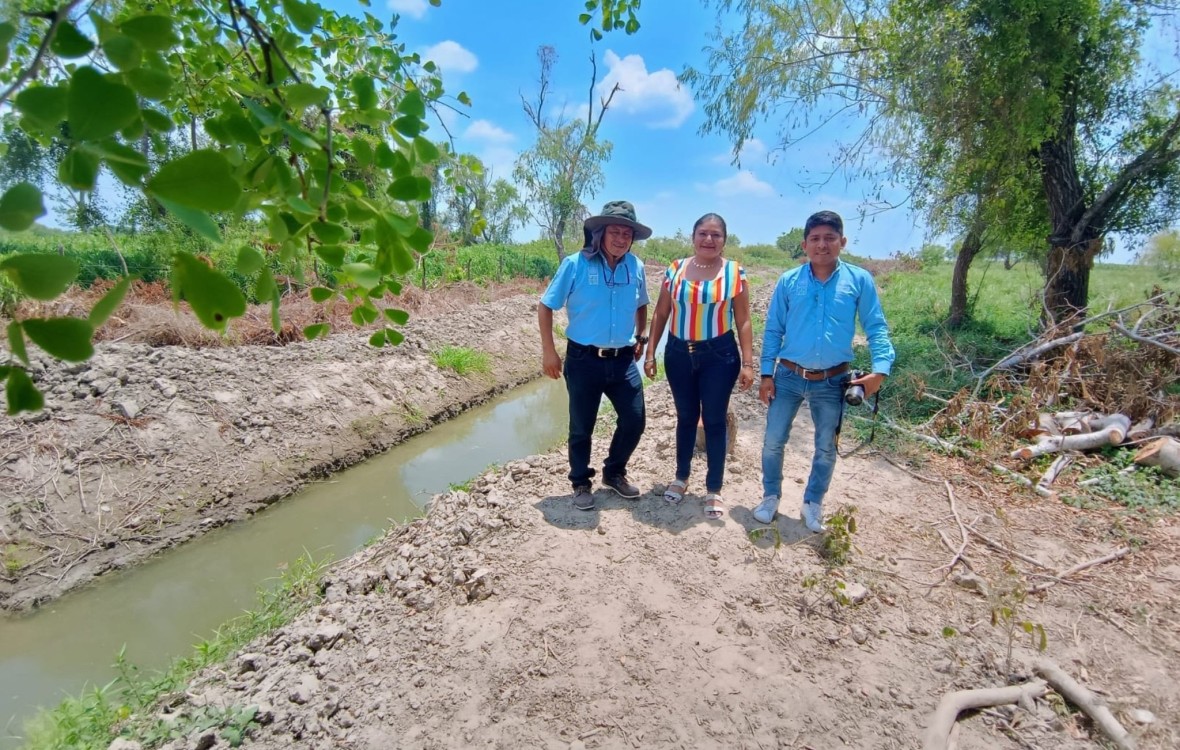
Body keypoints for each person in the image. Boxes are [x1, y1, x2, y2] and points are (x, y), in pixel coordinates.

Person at [753, 210, 895, 532]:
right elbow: (773, 330)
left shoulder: (859, 280)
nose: (822, 245)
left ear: (842, 242)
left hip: (833, 381)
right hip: (788, 377)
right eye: (815, 239)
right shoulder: (789, 281)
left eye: (830, 238)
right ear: (804, 245)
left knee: (825, 447)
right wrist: (765, 374)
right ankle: (770, 496)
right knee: (773, 440)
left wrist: (880, 371)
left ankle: (813, 503)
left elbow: (876, 327)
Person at [539, 200, 652, 511]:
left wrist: (641, 334)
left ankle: (614, 472)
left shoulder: (636, 267)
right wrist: (549, 351)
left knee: (635, 419)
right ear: (600, 233)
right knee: (581, 425)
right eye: (614, 231)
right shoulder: (575, 265)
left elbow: (642, 302)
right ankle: (580, 481)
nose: (621, 238)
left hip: (623, 360)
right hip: (583, 359)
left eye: (627, 234)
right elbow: (546, 305)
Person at [644, 213, 755, 519]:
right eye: (703, 233)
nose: (709, 240)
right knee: (686, 417)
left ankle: (714, 489)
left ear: (724, 240)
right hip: (679, 353)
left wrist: (748, 362)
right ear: (693, 237)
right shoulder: (675, 269)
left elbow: (743, 319)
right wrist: (651, 351)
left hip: (719, 355)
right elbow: (661, 312)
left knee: (715, 419)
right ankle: (680, 478)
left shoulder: (734, 272)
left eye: (716, 235)